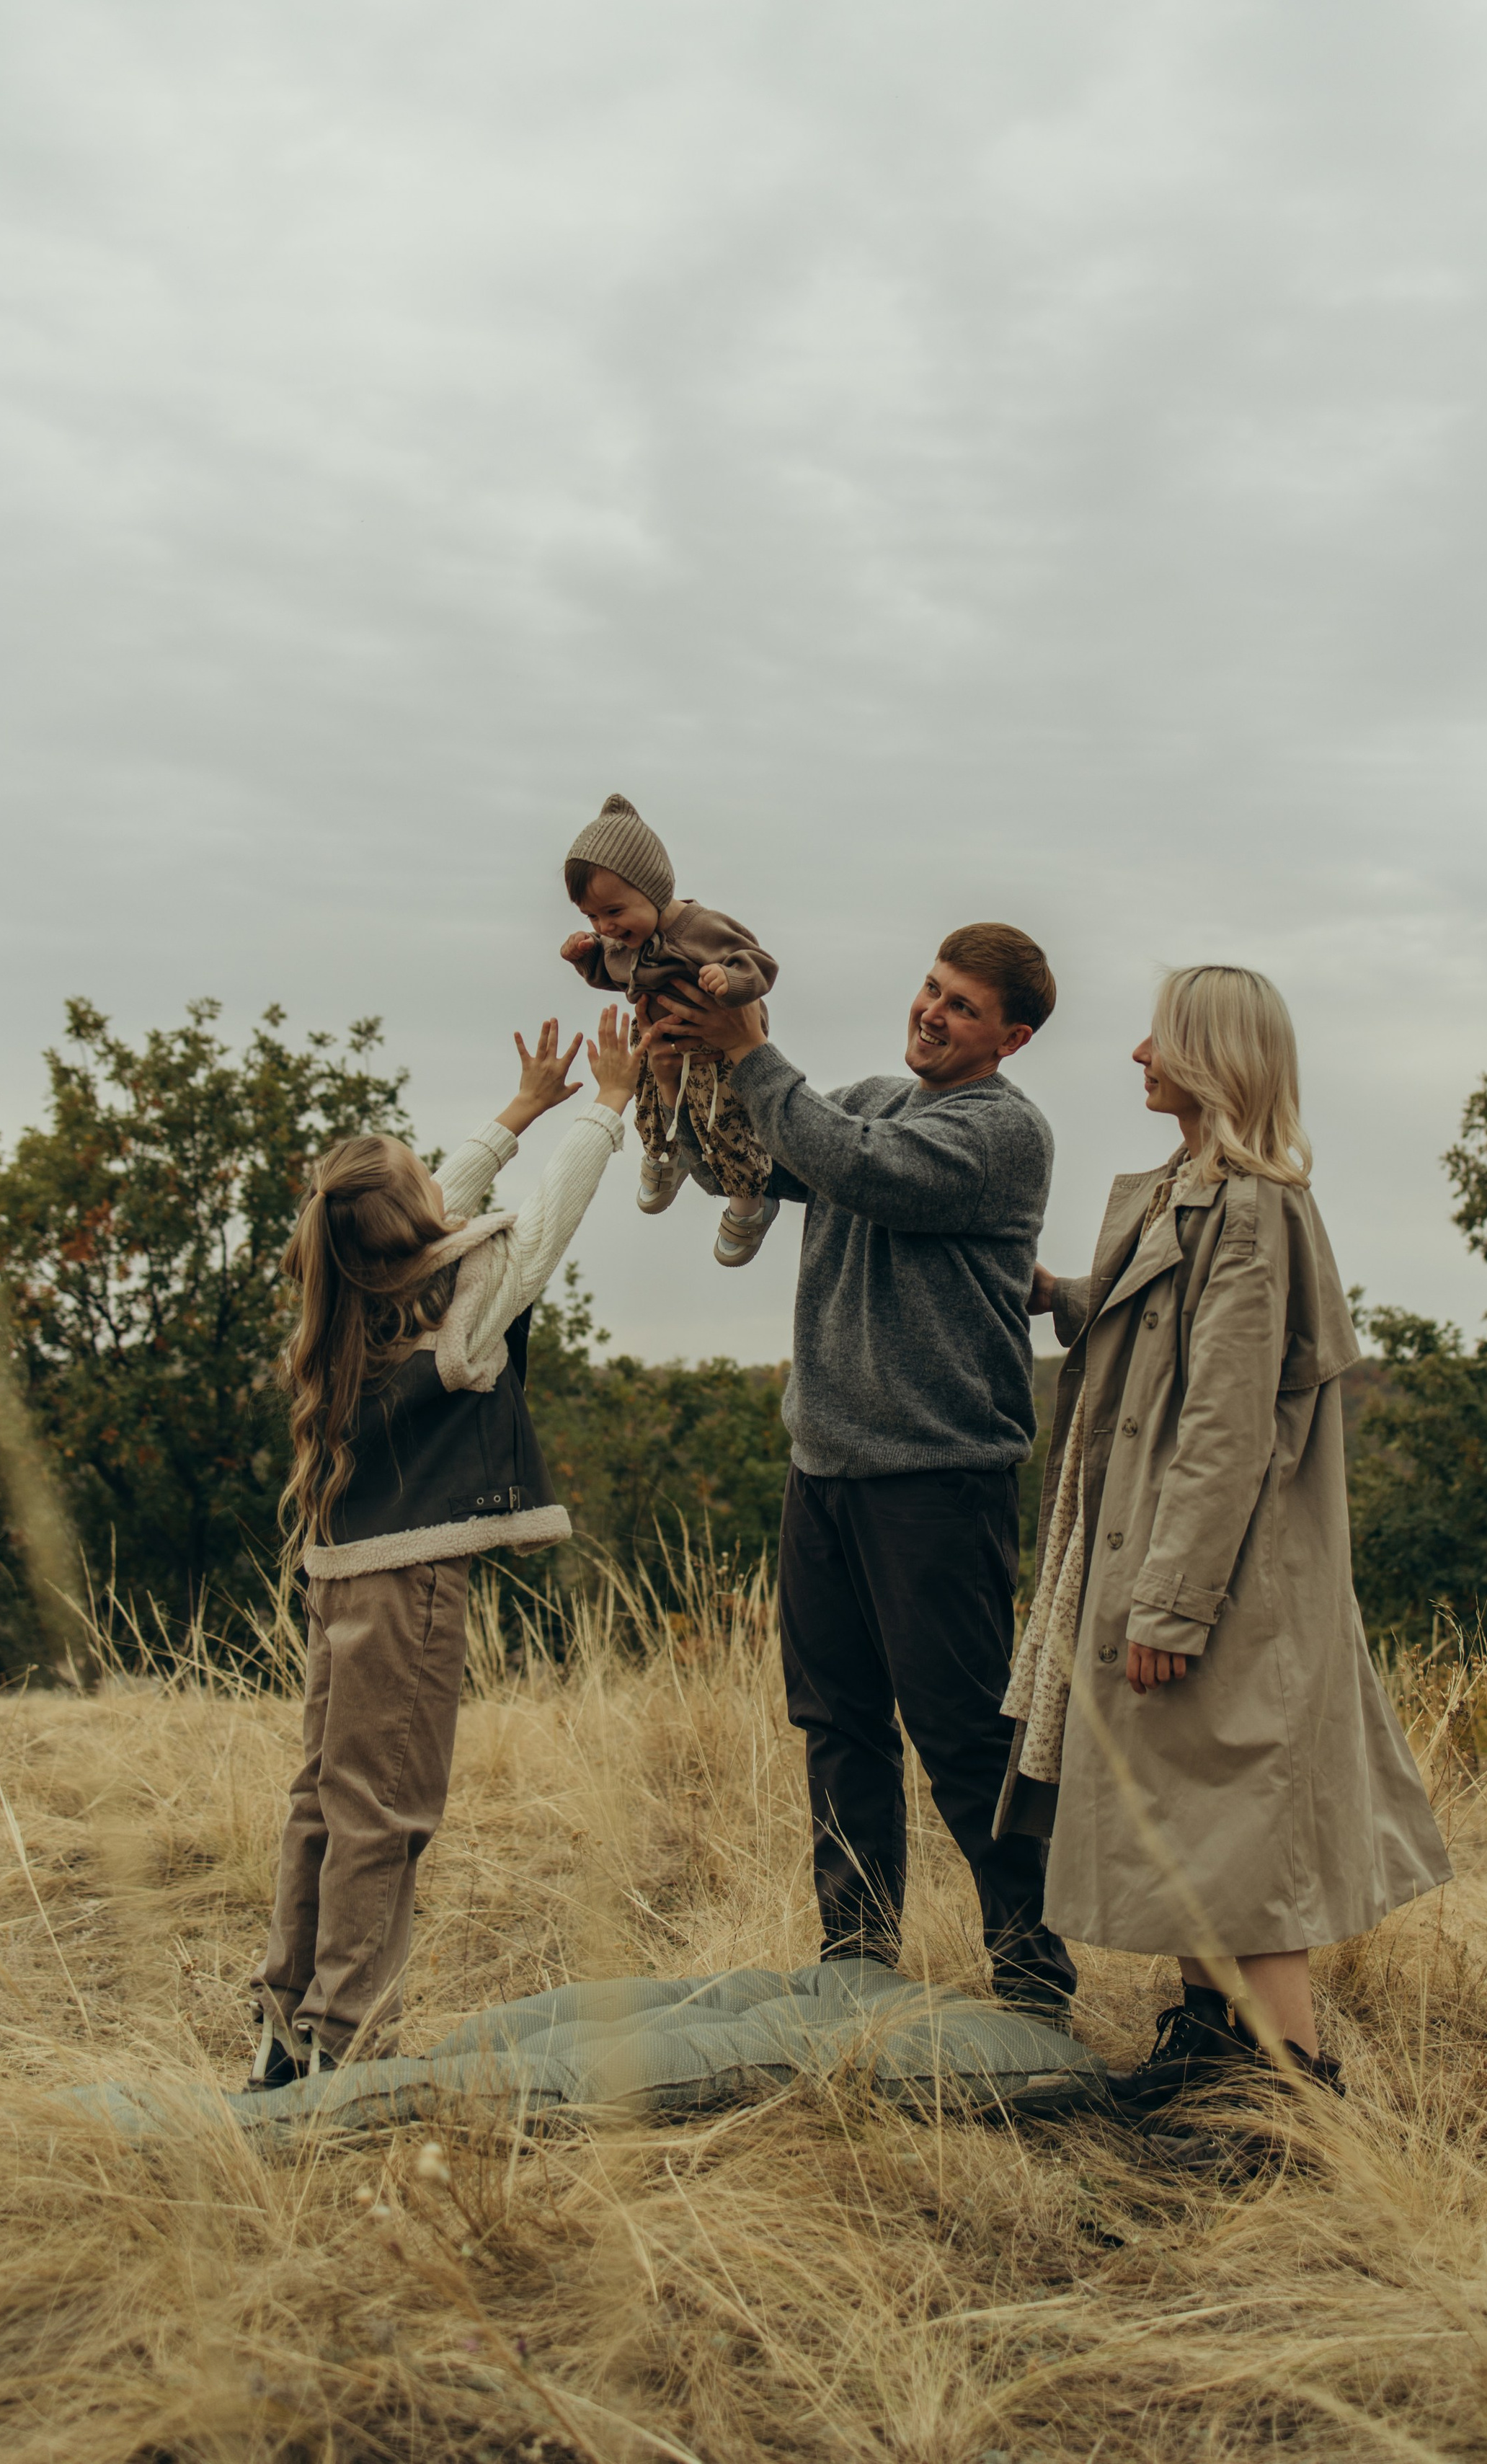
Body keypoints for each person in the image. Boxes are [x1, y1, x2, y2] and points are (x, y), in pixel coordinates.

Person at [999, 964, 1451, 2107]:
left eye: (1157, 1040)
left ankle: (1293, 2092)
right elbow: (1150, 1317)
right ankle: (1213, 2055)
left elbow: (1226, 1425)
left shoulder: (1251, 1205)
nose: (1139, 1058)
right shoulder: (1185, 1192)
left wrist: (1170, 1603)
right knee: (1198, 1816)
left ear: (1208, 1056)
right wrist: (1058, 1292)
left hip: (1221, 1580)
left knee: (1241, 1831)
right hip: (1176, 1560)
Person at [654, 926, 1076, 2018]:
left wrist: (751, 1052)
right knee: (838, 1727)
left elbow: (854, 1168)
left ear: (1010, 1038)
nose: (932, 1012)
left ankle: (1035, 1989)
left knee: (964, 1739)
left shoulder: (1003, 1132)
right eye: (932, 989)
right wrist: (687, 1060)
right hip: (826, 1466)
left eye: (964, 1007)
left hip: (938, 1480)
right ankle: (856, 1970)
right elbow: (746, 1160)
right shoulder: (873, 1099)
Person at [247, 1009, 643, 2086]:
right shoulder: (461, 1314)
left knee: (322, 1803)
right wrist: (607, 1106)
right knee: (386, 1812)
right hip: (410, 1586)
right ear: (416, 1219)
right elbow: (546, 1218)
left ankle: (288, 2025)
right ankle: (343, 2043)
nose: (445, 1189)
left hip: (339, 1586)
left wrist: (517, 1112)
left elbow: (423, 1207)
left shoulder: (341, 1294)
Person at [560, 792, 781, 1266]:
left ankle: (750, 1203)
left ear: (654, 890)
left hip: (720, 1052)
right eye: (592, 917)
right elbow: (614, 972)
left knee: (727, 1128)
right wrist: (588, 960)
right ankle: (669, 1153)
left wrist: (732, 980)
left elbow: (759, 964)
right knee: (648, 1102)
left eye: (613, 912)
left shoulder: (702, 928)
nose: (605, 927)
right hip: (664, 1045)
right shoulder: (623, 939)